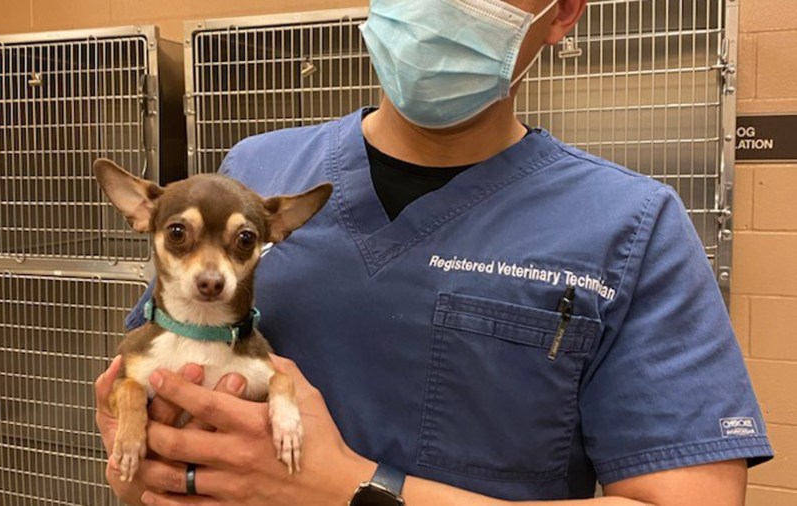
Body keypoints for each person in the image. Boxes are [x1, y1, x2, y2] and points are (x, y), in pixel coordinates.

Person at [95, 0, 774, 504]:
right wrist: (151, 460)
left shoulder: (631, 228)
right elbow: (150, 413)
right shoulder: (256, 172)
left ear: (562, 12)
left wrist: (353, 490)